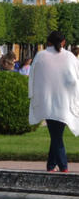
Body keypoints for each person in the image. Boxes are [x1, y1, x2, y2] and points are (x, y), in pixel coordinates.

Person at [28, 30, 79, 172]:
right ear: (63, 42)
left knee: (56, 136)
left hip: (46, 102)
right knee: (57, 135)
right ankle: (61, 166)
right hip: (64, 103)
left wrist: (33, 96)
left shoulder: (40, 56)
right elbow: (75, 79)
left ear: (48, 41)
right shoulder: (69, 57)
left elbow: (33, 78)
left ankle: (54, 166)